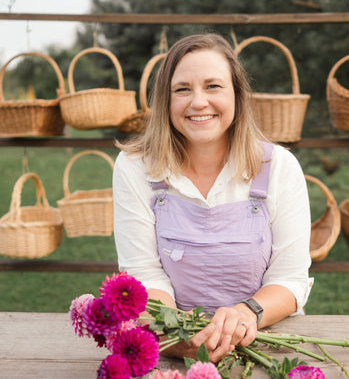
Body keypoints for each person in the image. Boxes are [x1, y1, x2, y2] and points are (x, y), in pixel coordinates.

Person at [113, 33, 312, 362]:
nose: (198, 102)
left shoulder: (278, 167)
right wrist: (179, 333)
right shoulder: (136, 168)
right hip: (172, 345)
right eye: (182, 89)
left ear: (237, 94)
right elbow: (143, 274)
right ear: (165, 100)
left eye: (213, 86)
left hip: (268, 341)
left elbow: (290, 279)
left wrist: (246, 314)